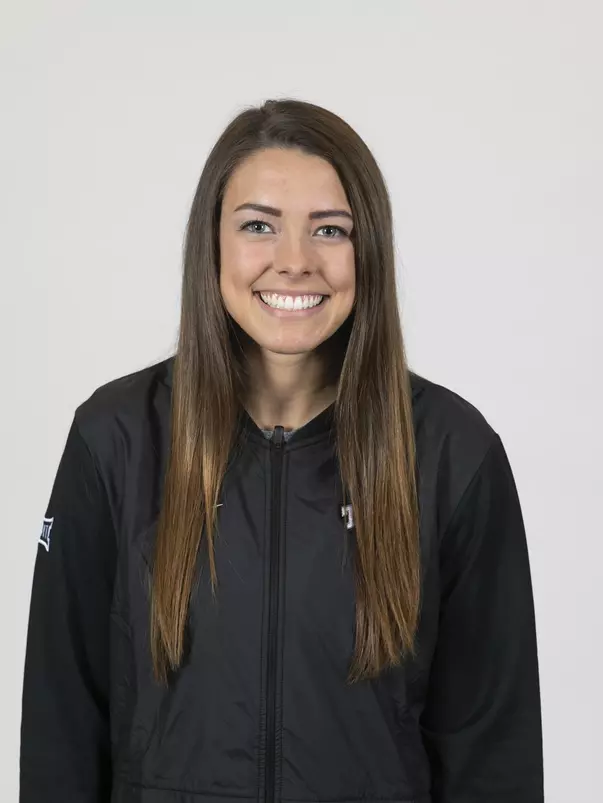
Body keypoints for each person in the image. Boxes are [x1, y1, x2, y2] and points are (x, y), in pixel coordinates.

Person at [20, 98, 544, 803]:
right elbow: (59, 727)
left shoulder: (452, 454)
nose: (294, 261)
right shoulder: (114, 439)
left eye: (329, 229)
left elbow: (494, 754)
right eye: (258, 225)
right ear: (213, 243)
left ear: (370, 252)